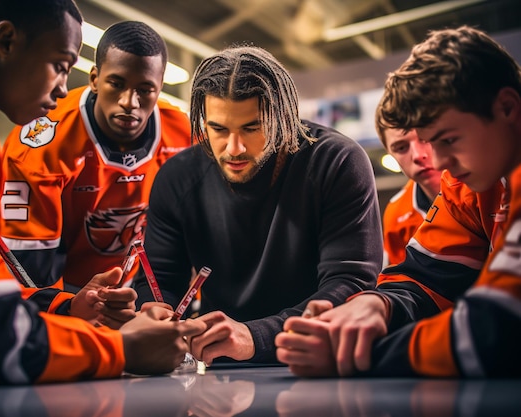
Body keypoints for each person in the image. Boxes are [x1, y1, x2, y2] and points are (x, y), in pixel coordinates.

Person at [0, 0, 204, 384]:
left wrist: (65, 307)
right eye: (60, 65)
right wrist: (121, 350)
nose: (62, 89)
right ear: (6, 40)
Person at [276, 25, 521, 377]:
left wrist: (363, 356)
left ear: (507, 107)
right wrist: (375, 305)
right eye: (418, 143)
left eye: (448, 139)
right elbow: (426, 279)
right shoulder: (466, 185)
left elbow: (500, 328)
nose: (436, 162)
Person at [134, 45, 383, 365]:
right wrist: (156, 310)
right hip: (219, 373)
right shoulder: (177, 178)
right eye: (218, 129)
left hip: (314, 362)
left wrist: (258, 336)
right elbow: (161, 281)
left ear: (282, 117)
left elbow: (350, 285)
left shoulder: (335, 162)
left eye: (252, 128)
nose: (234, 148)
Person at [1, 20, 191, 292]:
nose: (129, 102)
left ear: (160, 88)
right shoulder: (38, 147)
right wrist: (67, 310)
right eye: (116, 83)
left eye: (145, 90)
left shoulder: (182, 133)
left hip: (134, 287)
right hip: (59, 288)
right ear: (94, 79)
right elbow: (28, 271)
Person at [378, 124, 442, 266]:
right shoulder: (396, 214)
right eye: (401, 147)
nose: (418, 155)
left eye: (425, 139)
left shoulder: (484, 186)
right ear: (390, 154)